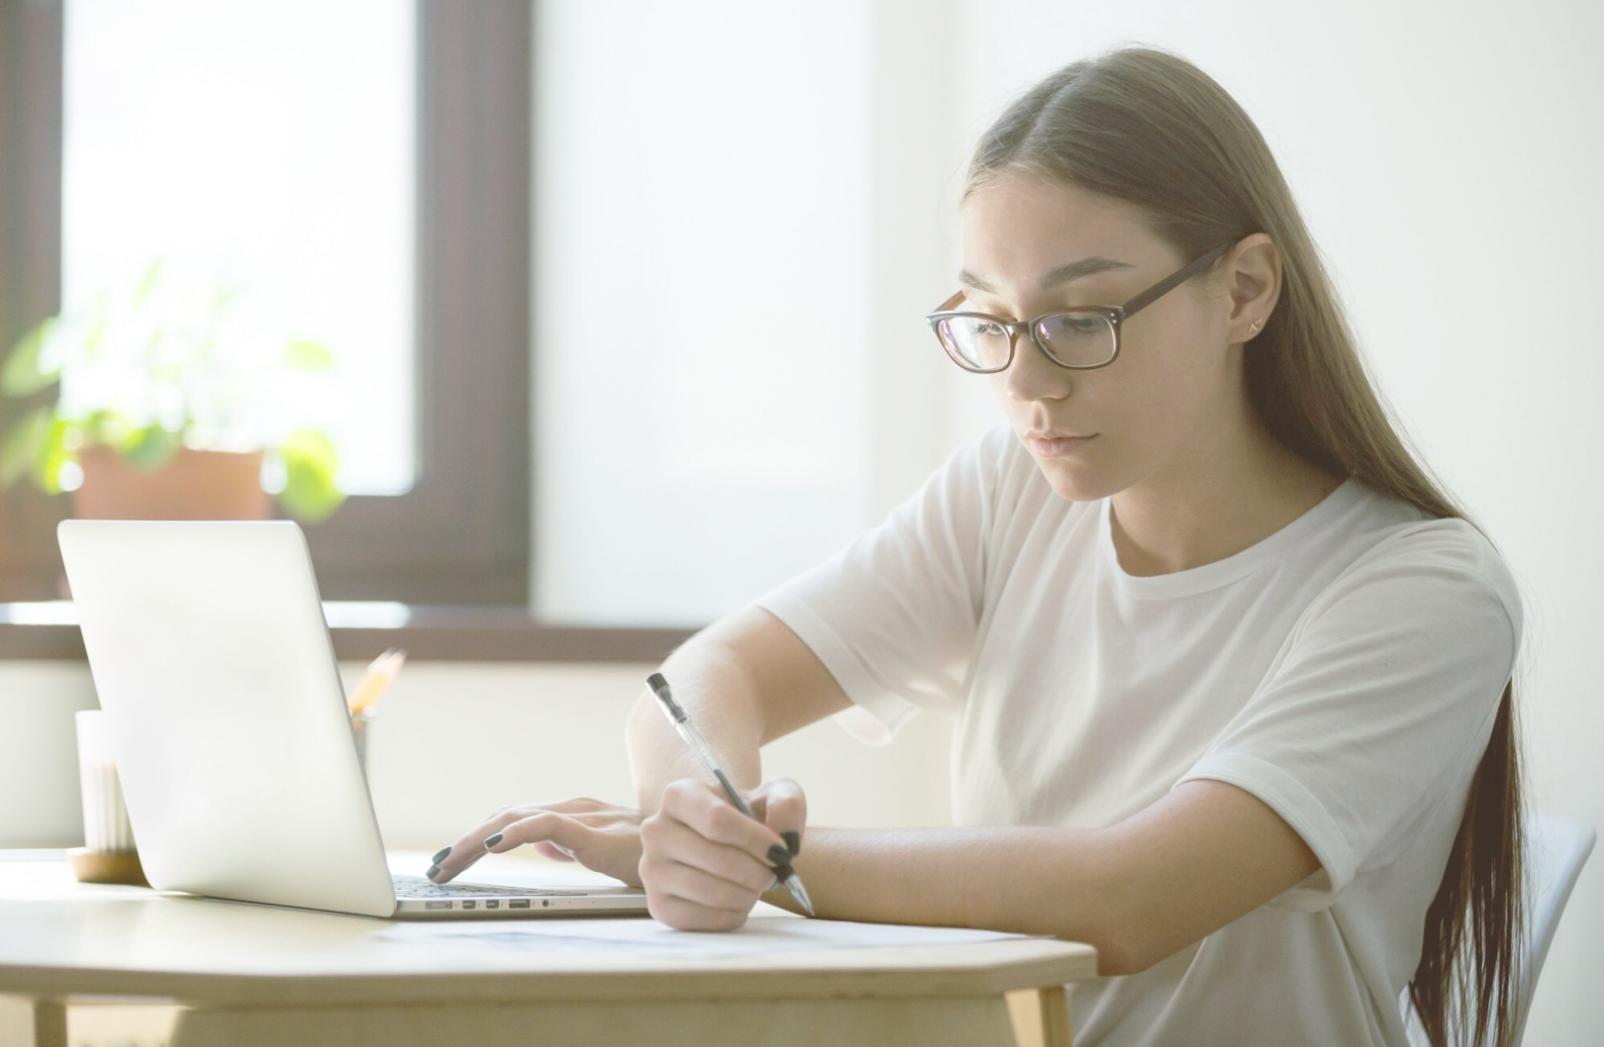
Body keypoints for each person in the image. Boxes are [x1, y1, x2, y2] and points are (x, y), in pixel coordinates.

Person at [425, 45, 1528, 1047]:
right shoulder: (1014, 491)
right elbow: (708, 677)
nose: (1028, 383)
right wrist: (697, 817)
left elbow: (1130, 898)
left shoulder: (1420, 588)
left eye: (1080, 320)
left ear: (1243, 290)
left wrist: (764, 864)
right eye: (991, 321)